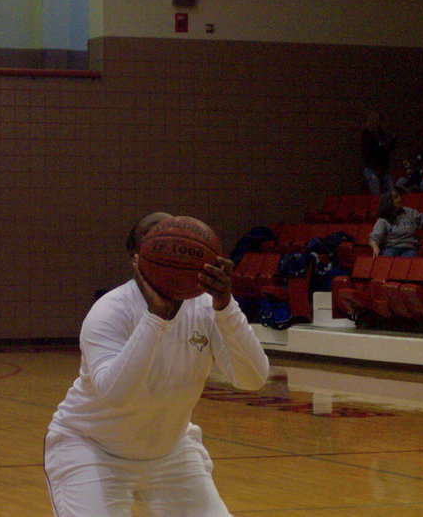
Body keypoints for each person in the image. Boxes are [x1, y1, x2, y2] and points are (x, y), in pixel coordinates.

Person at [44, 212, 270, 517]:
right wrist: (156, 318)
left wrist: (225, 304)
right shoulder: (110, 310)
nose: (174, 250)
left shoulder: (207, 306)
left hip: (171, 451)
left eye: (181, 246)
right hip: (90, 447)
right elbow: (116, 394)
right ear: (137, 259)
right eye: (162, 244)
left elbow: (253, 378)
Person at [369, 185, 423, 257]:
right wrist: (375, 248)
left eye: (398, 197)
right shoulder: (383, 219)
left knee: (408, 259)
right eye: (396, 198)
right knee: (387, 258)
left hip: (409, 247)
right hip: (391, 247)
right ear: (389, 202)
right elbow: (375, 237)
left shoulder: (409, 212)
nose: (399, 199)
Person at [362, 110, 396, 194]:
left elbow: (385, 152)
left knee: (391, 192)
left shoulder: (381, 135)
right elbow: (369, 153)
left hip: (383, 168)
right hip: (372, 168)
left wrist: (392, 143)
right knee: (376, 191)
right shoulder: (367, 135)